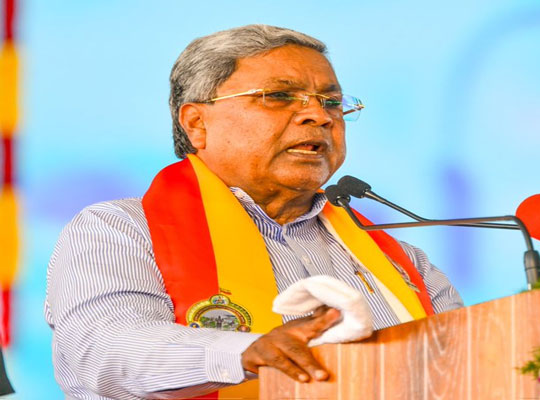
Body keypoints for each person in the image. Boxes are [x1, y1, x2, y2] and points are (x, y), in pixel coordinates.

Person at [45, 24, 463, 400]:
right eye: (279, 96)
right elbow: (103, 350)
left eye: (332, 102)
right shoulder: (122, 231)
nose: (319, 115)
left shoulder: (402, 259)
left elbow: (466, 363)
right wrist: (247, 352)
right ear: (197, 123)